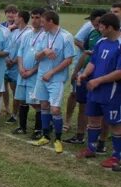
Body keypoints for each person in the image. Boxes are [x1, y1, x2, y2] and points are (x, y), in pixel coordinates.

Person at [75, 13, 121, 170]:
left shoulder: (120, 44)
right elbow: (93, 62)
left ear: (109, 27)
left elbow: (119, 72)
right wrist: (84, 74)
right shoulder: (101, 42)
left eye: (101, 26)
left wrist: (98, 80)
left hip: (112, 92)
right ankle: (91, 148)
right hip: (95, 89)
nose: (99, 29)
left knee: (115, 124)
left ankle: (116, 157)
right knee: (93, 118)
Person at [32, 11, 74, 154]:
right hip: (41, 77)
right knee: (43, 105)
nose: (40, 24)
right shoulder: (43, 35)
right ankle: (45, 135)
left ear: (50, 21)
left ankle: (58, 139)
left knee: (55, 109)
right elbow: (36, 57)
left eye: (43, 22)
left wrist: (52, 72)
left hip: (56, 78)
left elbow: (69, 60)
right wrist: (44, 51)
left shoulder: (66, 36)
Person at [65, 9, 107, 145]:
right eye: (95, 24)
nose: (97, 27)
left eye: (99, 24)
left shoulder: (113, 39)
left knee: (100, 108)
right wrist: (76, 72)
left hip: (101, 77)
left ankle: (100, 140)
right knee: (82, 104)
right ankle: (80, 135)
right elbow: (86, 54)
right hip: (85, 74)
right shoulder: (93, 34)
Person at [13, 8, 45, 138]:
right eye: (33, 17)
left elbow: (44, 60)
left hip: (34, 75)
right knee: (22, 100)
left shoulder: (46, 36)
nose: (35, 20)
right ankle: (22, 126)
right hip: (22, 73)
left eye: (38, 17)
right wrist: (20, 67)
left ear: (43, 19)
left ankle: (38, 129)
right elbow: (20, 53)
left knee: (36, 102)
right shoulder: (27, 34)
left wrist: (31, 71)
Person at [4, 10, 30, 124]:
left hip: (16, 66)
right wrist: (7, 59)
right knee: (6, 88)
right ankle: (10, 110)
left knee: (16, 91)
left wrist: (14, 61)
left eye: (16, 16)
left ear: (21, 18)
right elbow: (8, 46)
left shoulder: (28, 33)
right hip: (8, 64)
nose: (14, 17)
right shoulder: (14, 31)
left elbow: (24, 51)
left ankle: (15, 114)